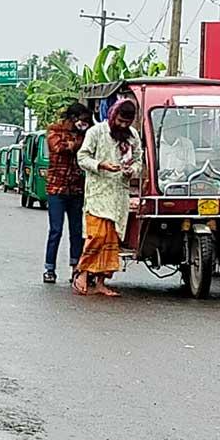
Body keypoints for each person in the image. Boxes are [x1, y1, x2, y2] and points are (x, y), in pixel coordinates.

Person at [74, 99, 142, 297]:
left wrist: (132, 170)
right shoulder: (96, 132)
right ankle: (82, 273)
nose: (123, 125)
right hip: (98, 193)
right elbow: (82, 158)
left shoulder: (132, 136)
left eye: (127, 123)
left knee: (112, 240)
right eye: (120, 121)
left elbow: (138, 160)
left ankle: (101, 282)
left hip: (119, 195)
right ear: (113, 116)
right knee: (97, 236)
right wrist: (101, 165)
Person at [43, 101, 90, 285]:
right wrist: (78, 139)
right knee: (56, 230)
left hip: (76, 188)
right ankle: (49, 268)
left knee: (76, 231)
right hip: (57, 188)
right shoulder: (55, 131)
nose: (84, 124)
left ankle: (75, 268)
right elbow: (61, 148)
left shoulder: (84, 134)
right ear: (73, 118)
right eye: (82, 120)